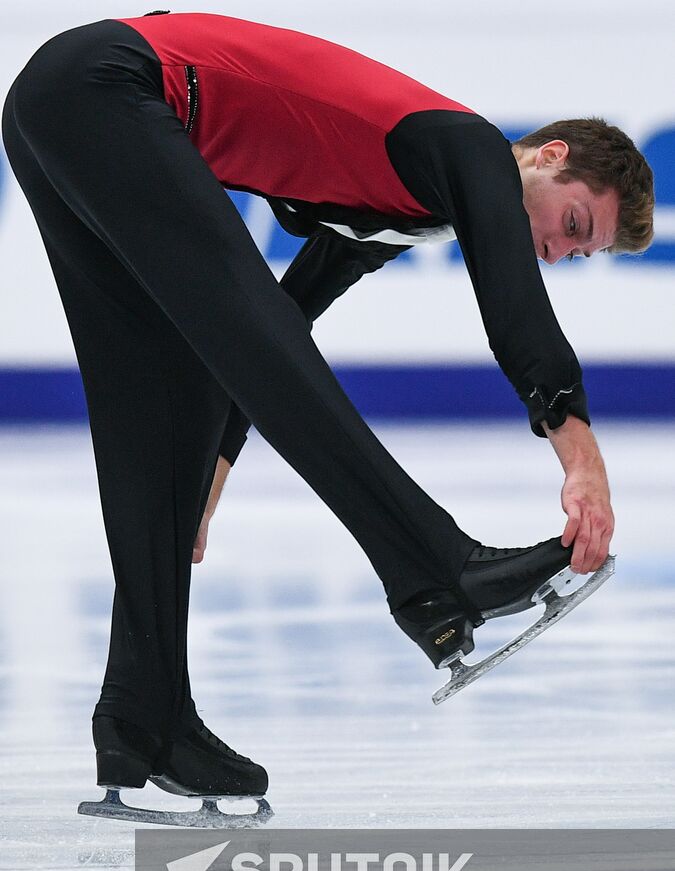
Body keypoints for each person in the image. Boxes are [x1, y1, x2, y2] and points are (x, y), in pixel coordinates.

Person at [1, 12, 654, 814]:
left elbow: (270, 324)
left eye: (574, 254)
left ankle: (145, 714)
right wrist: (579, 452)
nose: (555, 251)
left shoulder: (394, 208)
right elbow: (510, 309)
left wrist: (211, 468)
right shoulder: (470, 145)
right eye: (572, 224)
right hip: (112, 86)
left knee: (153, 415)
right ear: (548, 156)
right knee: (225, 365)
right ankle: (435, 569)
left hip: (55, 104)